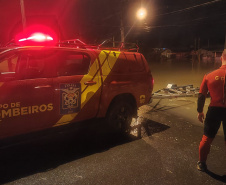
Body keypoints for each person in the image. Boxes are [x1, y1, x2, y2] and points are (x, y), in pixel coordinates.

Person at [197, 49, 226, 172]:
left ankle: (201, 164)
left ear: (221, 58)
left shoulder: (209, 75)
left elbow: (201, 95)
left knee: (207, 138)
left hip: (214, 110)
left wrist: (200, 111)